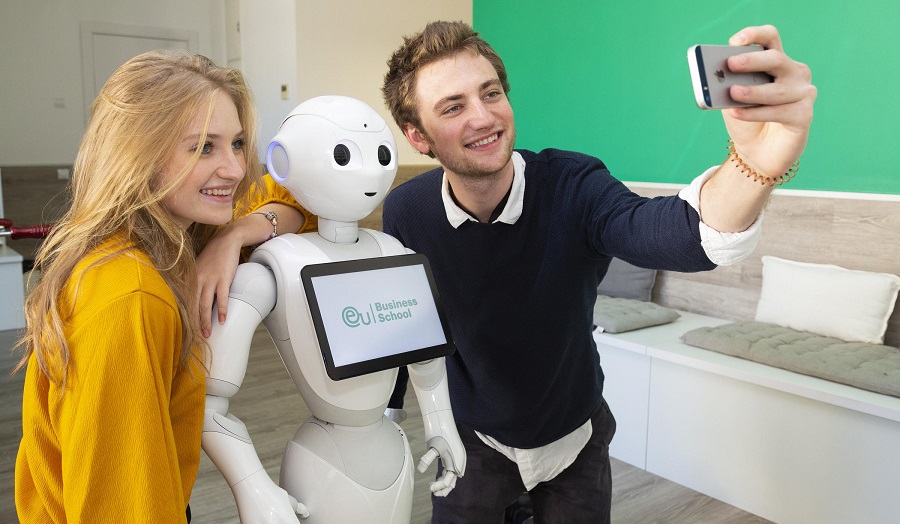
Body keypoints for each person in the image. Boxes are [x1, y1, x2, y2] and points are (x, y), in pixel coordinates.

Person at [380, 21, 815, 523]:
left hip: (575, 435)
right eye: (453, 107)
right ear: (418, 137)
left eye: (491, 93)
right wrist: (390, 420)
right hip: (475, 439)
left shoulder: (574, 184)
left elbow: (675, 232)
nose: (484, 117)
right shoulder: (407, 212)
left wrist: (754, 163)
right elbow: (408, 328)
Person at [13, 49, 281, 522]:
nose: (236, 169)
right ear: (139, 153)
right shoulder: (129, 297)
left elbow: (300, 196)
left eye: (237, 144)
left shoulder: (161, 241)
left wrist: (235, 233)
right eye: (203, 147)